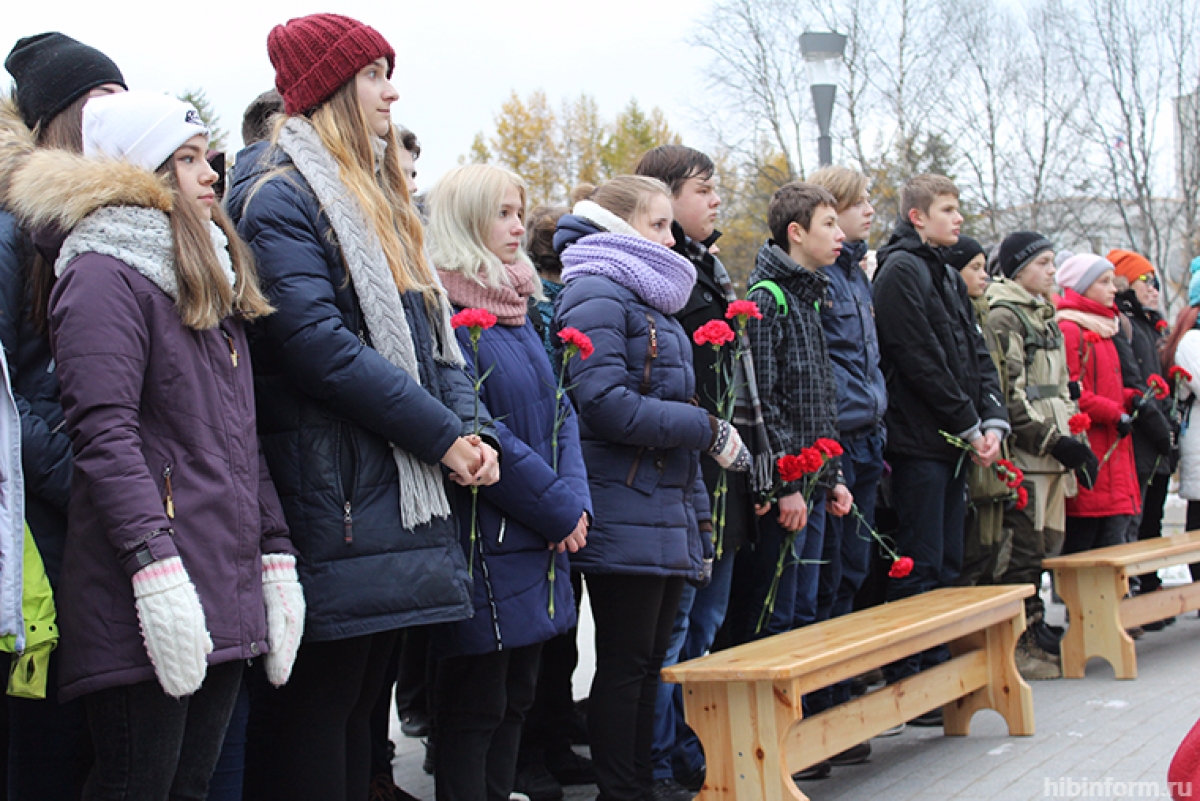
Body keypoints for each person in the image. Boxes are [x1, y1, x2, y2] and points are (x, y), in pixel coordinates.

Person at [226, 14, 500, 801]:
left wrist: (469, 427)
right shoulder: (280, 196)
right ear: (334, 87)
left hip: (386, 488)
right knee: (320, 711)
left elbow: (431, 334)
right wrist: (445, 437)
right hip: (336, 492)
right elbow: (319, 349)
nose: (392, 90)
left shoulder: (373, 196)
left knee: (358, 709)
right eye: (377, 74)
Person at [1, 88, 302, 798]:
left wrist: (274, 550)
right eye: (187, 158)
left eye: (208, 158)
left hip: (220, 573)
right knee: (137, 782)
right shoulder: (102, 271)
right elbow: (103, 435)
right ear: (142, 170)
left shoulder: (207, 274)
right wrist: (154, 570)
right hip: (150, 584)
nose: (210, 175)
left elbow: (239, 440)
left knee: (189, 784)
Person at [553, 175, 748, 801]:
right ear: (618, 227)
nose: (671, 237)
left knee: (645, 666)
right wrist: (708, 428)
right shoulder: (598, 293)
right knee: (625, 665)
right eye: (658, 225)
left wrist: (699, 518)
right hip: (620, 502)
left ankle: (640, 781)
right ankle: (624, 788)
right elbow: (603, 403)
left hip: (658, 504)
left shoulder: (646, 297)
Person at [424, 163, 591, 801]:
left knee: (516, 697)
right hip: (487, 535)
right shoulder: (447, 309)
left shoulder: (516, 306)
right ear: (466, 219)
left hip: (537, 532)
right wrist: (555, 508)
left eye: (520, 210)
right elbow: (480, 427)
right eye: (501, 212)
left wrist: (572, 503)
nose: (518, 225)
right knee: (477, 707)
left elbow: (559, 412)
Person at [1, 30, 126, 800]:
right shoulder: (16, 227)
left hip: (100, 517)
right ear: (63, 121)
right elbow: (10, 397)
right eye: (102, 101)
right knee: (45, 744)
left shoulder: (99, 221)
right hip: (49, 527)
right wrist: (92, 482)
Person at [635, 144, 770, 800]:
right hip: (690, 468)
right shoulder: (661, 274)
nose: (715, 199)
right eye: (702, 189)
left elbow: (741, 386)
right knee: (680, 624)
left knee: (708, 621)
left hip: (726, 466)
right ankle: (658, 757)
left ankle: (691, 743)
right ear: (661, 197)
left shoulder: (709, 267)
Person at [872, 175, 1008, 696]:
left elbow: (977, 354)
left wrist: (990, 420)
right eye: (947, 210)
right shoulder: (901, 270)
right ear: (917, 217)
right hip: (920, 444)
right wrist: (966, 424)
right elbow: (918, 359)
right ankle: (912, 676)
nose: (958, 219)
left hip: (956, 440)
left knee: (949, 560)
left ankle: (940, 671)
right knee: (920, 561)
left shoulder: (946, 276)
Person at [985, 232, 1097, 680]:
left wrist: (1075, 440)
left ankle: (1036, 632)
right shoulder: (1006, 316)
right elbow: (1010, 395)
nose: (1052, 271)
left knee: (1047, 546)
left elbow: (1063, 388)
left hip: (1053, 456)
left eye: (1053, 263)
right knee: (1021, 553)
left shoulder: (1045, 315)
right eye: (1043, 263)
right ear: (1017, 268)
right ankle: (1020, 644)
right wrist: (1051, 440)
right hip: (1029, 457)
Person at [806, 166, 887, 724]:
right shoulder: (822, 277)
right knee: (827, 575)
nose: (867, 213)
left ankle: (840, 691)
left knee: (853, 570)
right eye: (856, 205)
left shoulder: (856, 273)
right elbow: (824, 365)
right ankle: (821, 701)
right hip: (836, 440)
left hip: (867, 433)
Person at [1054, 254, 1140, 556]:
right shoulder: (1071, 329)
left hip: (1114, 447)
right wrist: (1115, 412)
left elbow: (1107, 386)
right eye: (1103, 282)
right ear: (1083, 286)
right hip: (1092, 445)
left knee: (1113, 544)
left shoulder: (1106, 329)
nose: (1113, 289)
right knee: (1086, 544)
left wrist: (1131, 397)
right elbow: (1072, 391)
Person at [1109, 249, 1174, 615]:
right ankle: (1134, 598)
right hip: (1140, 437)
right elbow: (1134, 385)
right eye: (1147, 281)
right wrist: (1157, 426)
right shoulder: (1124, 323)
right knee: (1134, 520)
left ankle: (1150, 589)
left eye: (1156, 282)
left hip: (1158, 435)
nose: (1155, 289)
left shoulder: (1150, 326)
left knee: (1153, 518)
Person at [948, 235, 1015, 592]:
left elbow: (995, 375)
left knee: (994, 545)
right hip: (968, 440)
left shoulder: (985, 315)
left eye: (985, 268)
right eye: (974, 268)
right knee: (971, 548)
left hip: (991, 438)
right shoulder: (970, 316)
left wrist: (995, 423)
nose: (984, 276)